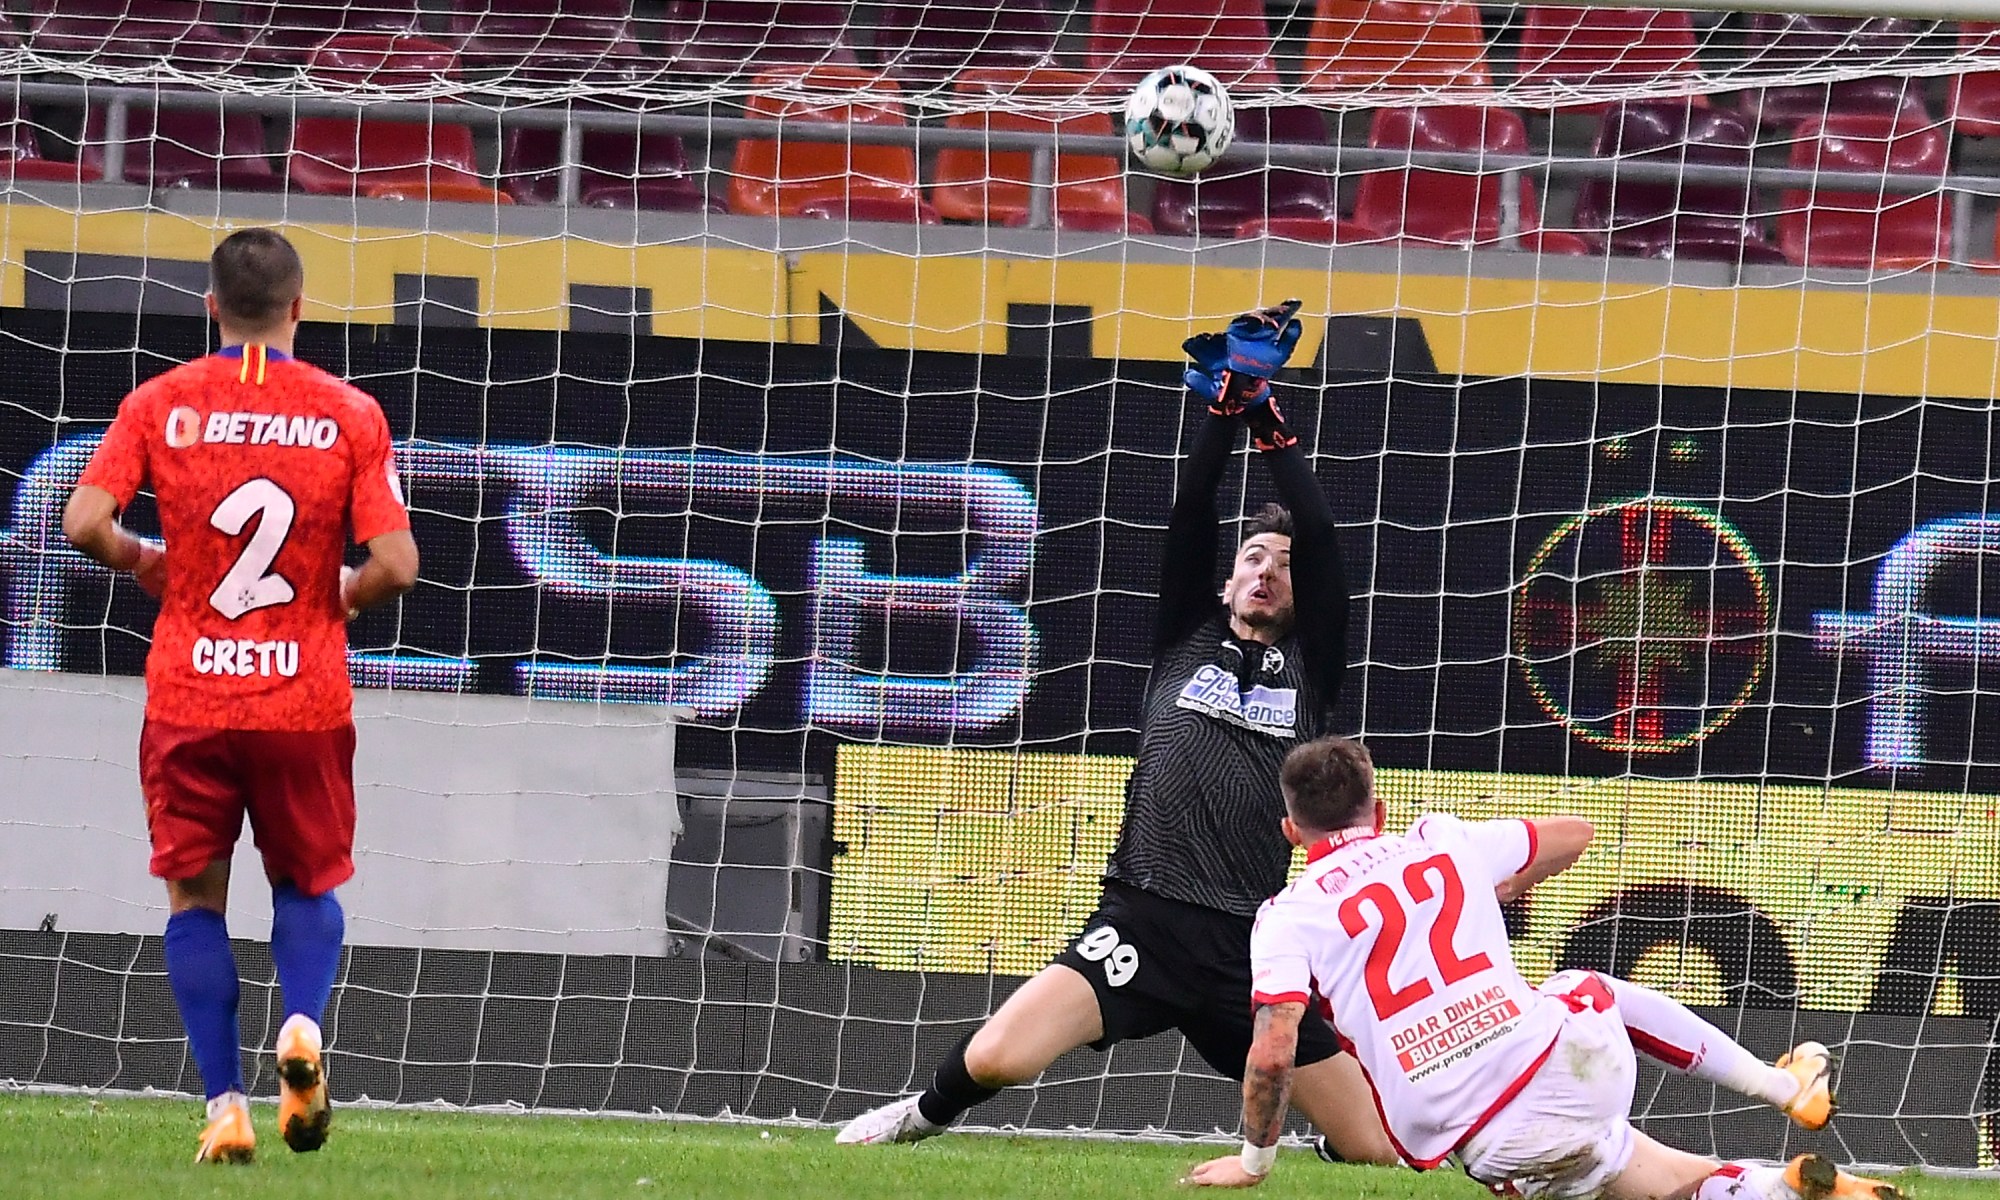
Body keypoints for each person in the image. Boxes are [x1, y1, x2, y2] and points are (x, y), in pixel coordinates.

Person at [838, 302, 1393, 1161]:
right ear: (1225, 583)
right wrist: (1225, 413)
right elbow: (1191, 508)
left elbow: (1317, 533)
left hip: (1251, 941)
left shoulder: (1314, 672)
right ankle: (913, 1118)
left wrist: (1268, 424)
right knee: (997, 1057)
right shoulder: (1185, 639)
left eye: (1282, 567)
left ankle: (1315, 1145)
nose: (1265, 571)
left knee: (1374, 1149)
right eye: (1252, 558)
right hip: (1143, 917)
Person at [62, 228, 418, 1164]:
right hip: (302, 699)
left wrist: (143, 559)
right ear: (299, 307)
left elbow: (84, 521)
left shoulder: (161, 402)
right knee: (305, 883)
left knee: (195, 902)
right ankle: (300, 1024)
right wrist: (342, 593)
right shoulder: (348, 412)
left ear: (209, 305)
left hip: (190, 698)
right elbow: (399, 564)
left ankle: (225, 1104)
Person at [1184, 735, 1901, 1200]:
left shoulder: (1286, 915)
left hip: (1484, 1141)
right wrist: (1490, 890)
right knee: (1587, 1003)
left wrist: (1253, 1162)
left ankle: (1789, 1139)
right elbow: (1575, 835)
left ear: (1290, 831)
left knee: (1594, 1144)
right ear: (1380, 808)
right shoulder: (1439, 843)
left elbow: (1274, 1053)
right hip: (1563, 1075)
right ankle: (1788, 1142)